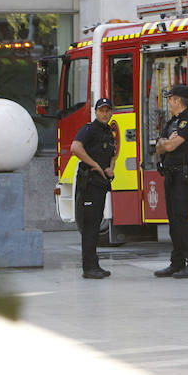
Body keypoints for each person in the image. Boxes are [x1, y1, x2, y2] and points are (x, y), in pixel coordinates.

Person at [153, 84, 188, 278]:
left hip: (183, 176)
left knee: (181, 220)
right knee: (173, 221)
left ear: (177, 100)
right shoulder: (172, 122)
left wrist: (167, 144)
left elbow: (172, 144)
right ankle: (177, 262)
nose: (168, 102)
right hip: (170, 175)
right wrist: (165, 144)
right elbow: (159, 146)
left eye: (169, 99)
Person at [70, 98, 117, 279]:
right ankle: (88, 268)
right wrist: (95, 165)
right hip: (89, 183)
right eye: (101, 110)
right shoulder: (89, 129)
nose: (105, 114)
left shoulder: (108, 132)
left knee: (95, 224)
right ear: (95, 112)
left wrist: (110, 168)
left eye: (107, 110)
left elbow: (113, 153)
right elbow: (76, 147)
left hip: (100, 184)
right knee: (89, 226)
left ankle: (94, 264)